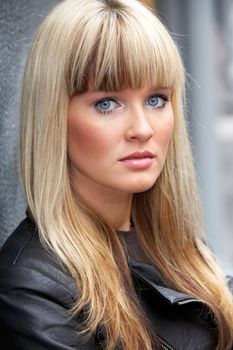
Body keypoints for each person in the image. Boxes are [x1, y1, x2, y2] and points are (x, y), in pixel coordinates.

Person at [0, 0, 232, 349]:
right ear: (54, 117)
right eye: (107, 103)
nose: (142, 129)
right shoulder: (32, 288)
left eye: (156, 99)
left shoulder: (179, 246)